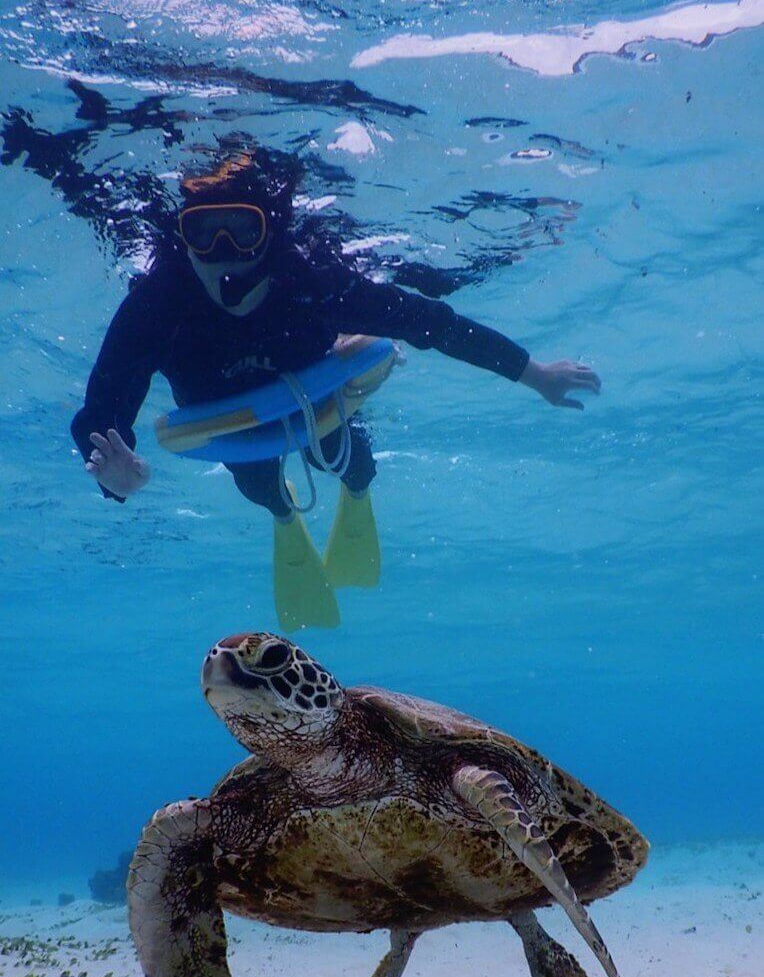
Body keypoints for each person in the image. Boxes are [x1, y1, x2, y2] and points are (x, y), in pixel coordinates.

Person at [72, 150, 600, 630]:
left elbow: (430, 323)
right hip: (228, 423)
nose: (223, 252)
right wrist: (118, 481)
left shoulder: (311, 283)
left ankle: (357, 489)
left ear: (270, 238)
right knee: (258, 485)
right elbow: (100, 414)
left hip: (317, 402)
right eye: (203, 232)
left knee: (345, 457)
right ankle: (283, 515)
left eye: (242, 229)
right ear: (181, 238)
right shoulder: (156, 306)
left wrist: (537, 375)